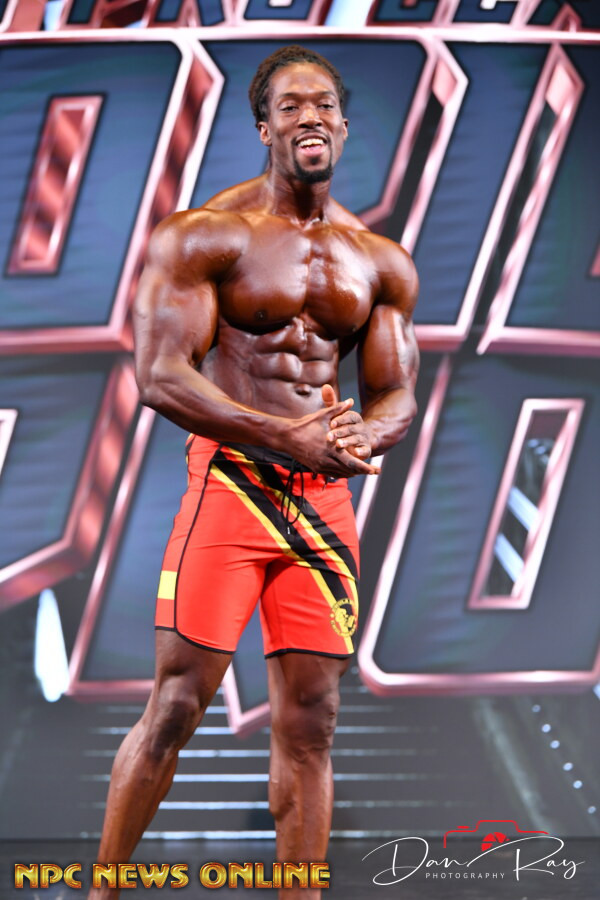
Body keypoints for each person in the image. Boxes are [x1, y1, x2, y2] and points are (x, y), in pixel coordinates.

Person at [89, 45, 419, 898]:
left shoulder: (378, 259)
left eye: (324, 105)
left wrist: (362, 438)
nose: (310, 117)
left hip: (323, 506)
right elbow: (161, 377)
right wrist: (286, 437)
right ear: (264, 127)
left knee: (312, 723)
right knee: (176, 705)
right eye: (291, 105)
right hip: (232, 488)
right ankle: (103, 891)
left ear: (343, 125)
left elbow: (396, 394)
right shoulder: (206, 234)